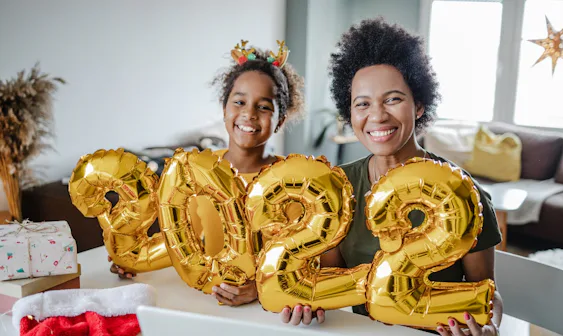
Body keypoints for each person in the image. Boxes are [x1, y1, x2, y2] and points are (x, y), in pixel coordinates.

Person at [280, 18, 504, 336]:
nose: (378, 115)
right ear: (350, 113)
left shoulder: (466, 193)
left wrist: (488, 327)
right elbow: (328, 279)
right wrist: (307, 303)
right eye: (363, 104)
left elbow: (487, 294)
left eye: (393, 99)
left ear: (420, 105)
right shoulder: (336, 189)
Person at [110, 40, 305, 308]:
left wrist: (259, 289)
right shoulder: (197, 170)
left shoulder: (292, 178)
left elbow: (301, 258)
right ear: (224, 108)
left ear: (280, 120)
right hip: (206, 303)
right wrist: (137, 260)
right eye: (239, 102)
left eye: (264, 107)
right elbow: (181, 236)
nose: (248, 114)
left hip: (268, 312)